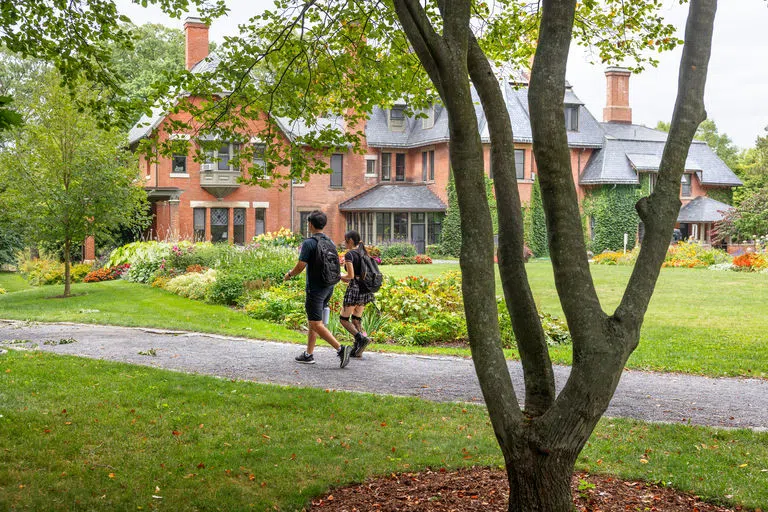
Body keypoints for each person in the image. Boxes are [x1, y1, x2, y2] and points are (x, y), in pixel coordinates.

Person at [284, 210, 352, 368]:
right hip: (328, 286)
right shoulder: (330, 242)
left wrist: (289, 274)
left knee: (315, 323)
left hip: (315, 289)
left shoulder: (309, 243)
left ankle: (341, 349)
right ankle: (308, 354)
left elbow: (300, 266)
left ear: (310, 224)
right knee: (314, 321)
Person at [339, 230, 374, 358]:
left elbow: (350, 276)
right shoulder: (364, 253)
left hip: (354, 289)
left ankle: (361, 338)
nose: (344, 243)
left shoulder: (350, 255)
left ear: (350, 241)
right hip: (365, 290)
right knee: (356, 319)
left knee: (343, 319)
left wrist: (339, 276)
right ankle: (359, 348)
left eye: (345, 240)